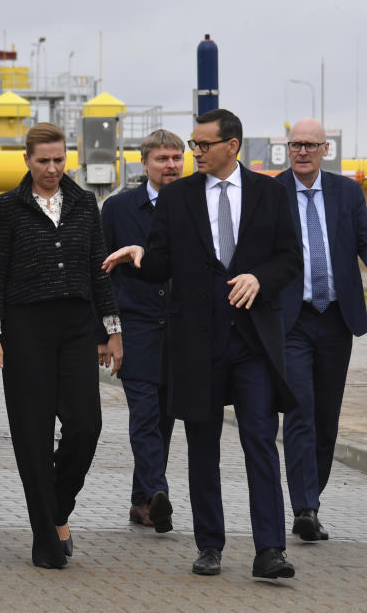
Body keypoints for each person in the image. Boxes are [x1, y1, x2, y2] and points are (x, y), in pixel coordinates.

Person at [103, 109, 302, 579]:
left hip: (253, 343)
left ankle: (270, 550)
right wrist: (139, 257)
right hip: (196, 342)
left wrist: (260, 277)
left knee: (259, 441)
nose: (194, 153)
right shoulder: (178, 198)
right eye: (192, 145)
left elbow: (290, 258)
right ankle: (209, 544)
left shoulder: (270, 194)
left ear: (231, 145)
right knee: (202, 445)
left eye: (203, 145)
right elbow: (162, 263)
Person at [0, 122, 123, 569]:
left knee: (86, 426)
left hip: (77, 327)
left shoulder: (84, 203)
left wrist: (111, 330)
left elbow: (99, 270)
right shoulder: (7, 206)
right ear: (26, 160)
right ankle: (47, 538)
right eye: (43, 160)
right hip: (26, 330)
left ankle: (58, 507)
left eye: (59, 160)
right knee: (33, 437)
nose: (52, 168)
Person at [278, 118, 367, 541]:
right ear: (287, 149)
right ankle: (304, 508)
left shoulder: (346, 192)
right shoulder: (272, 194)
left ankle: (313, 494)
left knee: (326, 417)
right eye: (296, 145)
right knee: (299, 411)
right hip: (291, 320)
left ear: (325, 149)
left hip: (336, 321)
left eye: (310, 145)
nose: (303, 152)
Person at [100, 129, 183, 533]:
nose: (171, 165)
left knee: (165, 418)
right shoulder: (118, 209)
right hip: (136, 327)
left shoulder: (195, 204)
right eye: (162, 159)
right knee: (145, 414)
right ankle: (157, 494)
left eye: (176, 158)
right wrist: (106, 330)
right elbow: (100, 273)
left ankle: (140, 501)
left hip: (180, 330)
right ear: (144, 163)